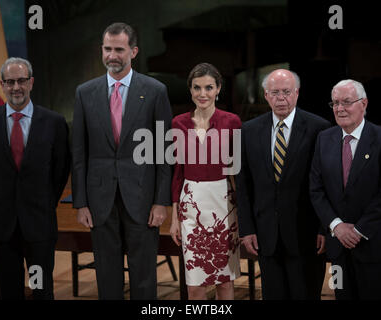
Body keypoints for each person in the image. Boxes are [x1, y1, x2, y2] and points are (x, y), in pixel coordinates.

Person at [72, 22, 172, 300]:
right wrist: (80, 202)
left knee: (143, 277)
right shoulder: (84, 93)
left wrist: (161, 201)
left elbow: (164, 151)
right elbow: (78, 153)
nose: (112, 55)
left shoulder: (155, 90)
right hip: (99, 199)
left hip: (142, 199)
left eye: (119, 49)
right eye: (107, 49)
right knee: (106, 274)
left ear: (134, 51)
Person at [0, 57, 71, 299]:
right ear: (2, 84)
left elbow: (61, 169)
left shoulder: (54, 122)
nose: (16, 87)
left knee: (40, 289)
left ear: (32, 82)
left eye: (22, 81)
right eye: (10, 82)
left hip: (39, 226)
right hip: (2, 225)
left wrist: (45, 200)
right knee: (8, 291)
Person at [236, 69, 331, 300]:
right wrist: (247, 229)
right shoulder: (248, 131)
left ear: (297, 93)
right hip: (266, 235)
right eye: (275, 92)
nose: (281, 98)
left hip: (307, 234)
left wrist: (324, 228)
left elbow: (328, 184)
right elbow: (243, 184)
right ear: (266, 95)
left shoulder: (320, 128)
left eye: (286, 92)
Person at [309, 79, 381, 299]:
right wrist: (336, 226)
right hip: (338, 249)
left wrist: (358, 230)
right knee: (341, 295)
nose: (340, 108)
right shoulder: (324, 139)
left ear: (364, 104)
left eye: (346, 102)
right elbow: (316, 189)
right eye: (335, 103)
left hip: (376, 245)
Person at [170, 63, 241, 300]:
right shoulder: (178, 123)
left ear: (218, 89)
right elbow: (178, 173)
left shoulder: (232, 122)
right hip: (190, 205)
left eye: (209, 87)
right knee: (194, 285)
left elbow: (237, 171)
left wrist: (242, 214)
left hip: (224, 204)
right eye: (197, 88)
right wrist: (174, 218)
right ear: (190, 90)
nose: (203, 94)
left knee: (224, 282)